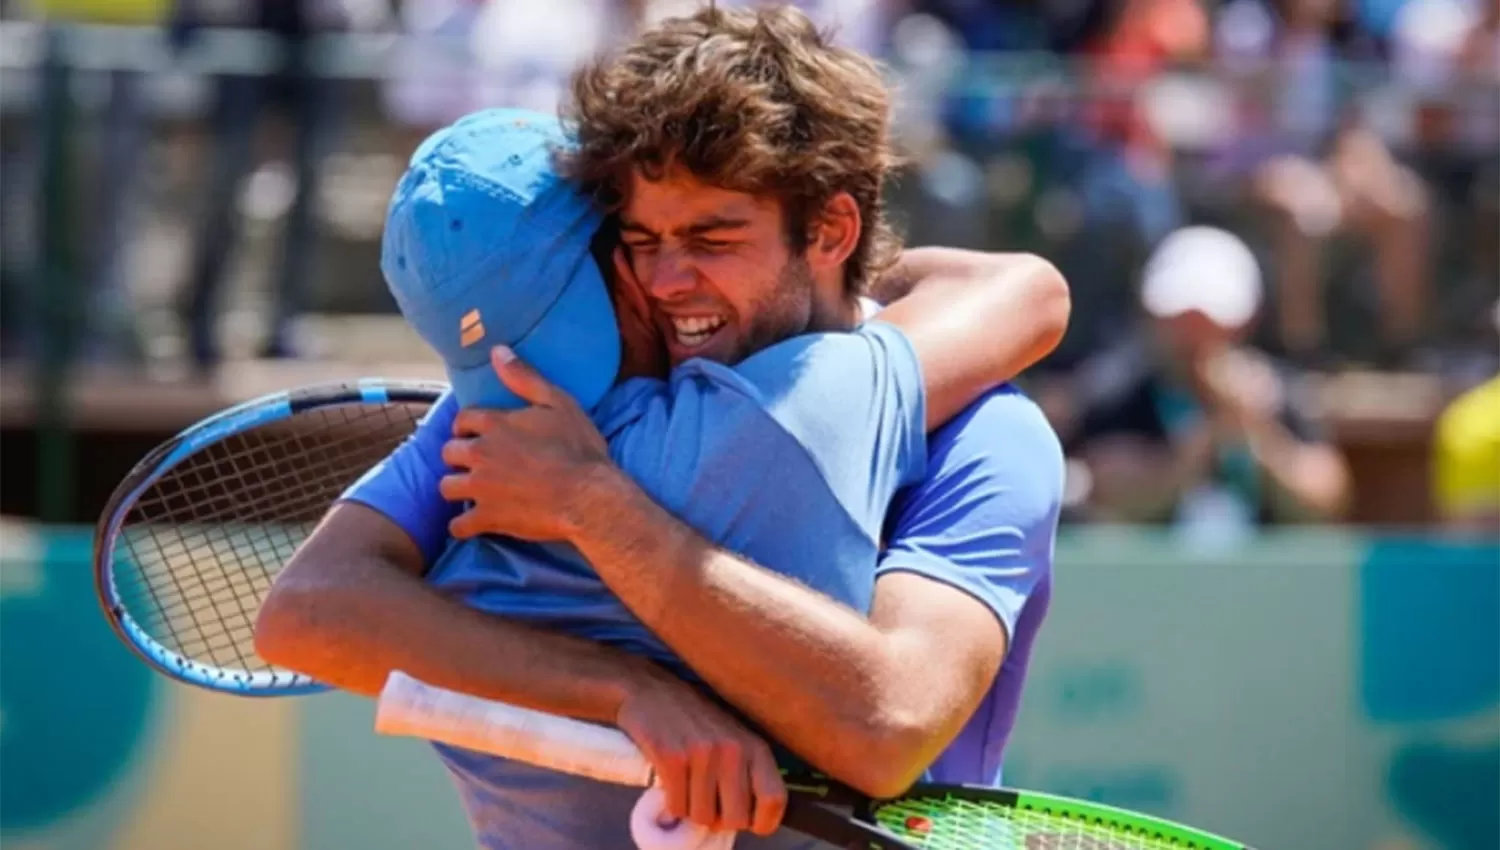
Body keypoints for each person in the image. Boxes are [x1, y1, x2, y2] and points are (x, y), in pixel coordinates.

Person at [257, 7, 1066, 847]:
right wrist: (624, 686)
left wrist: (592, 507)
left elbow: (890, 723)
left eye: (713, 238)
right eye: (642, 240)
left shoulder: (981, 437)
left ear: (829, 231)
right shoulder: (530, 403)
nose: (670, 281)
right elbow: (306, 610)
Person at [1054, 225, 1350, 533]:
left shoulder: (1280, 392)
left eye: (1208, 320)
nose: (1192, 335)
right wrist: (1189, 456)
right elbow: (1099, 486)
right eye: (1180, 318)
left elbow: (1326, 499)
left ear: (1246, 321)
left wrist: (1255, 432)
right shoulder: (1118, 391)